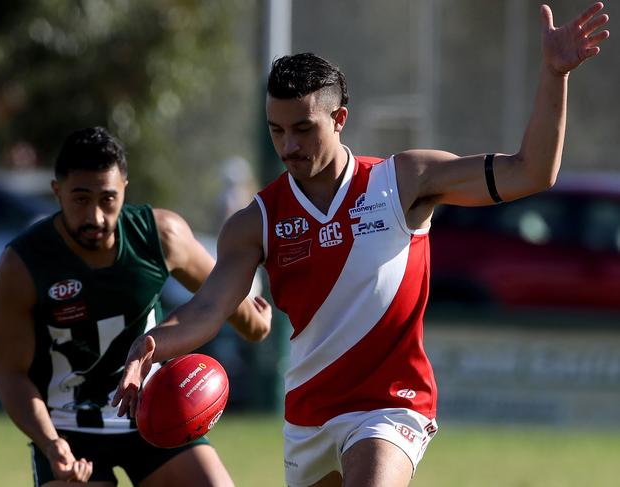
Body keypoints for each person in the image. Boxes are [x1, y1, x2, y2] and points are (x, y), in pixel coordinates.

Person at [114, 3, 609, 486]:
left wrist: (555, 76)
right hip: (308, 416)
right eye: (277, 131)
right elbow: (207, 308)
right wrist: (150, 346)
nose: (288, 147)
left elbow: (532, 172)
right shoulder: (254, 222)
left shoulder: (405, 181)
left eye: (303, 129)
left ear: (340, 119)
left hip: (391, 405)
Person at [0, 126, 272, 486]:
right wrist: (51, 444)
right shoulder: (22, 264)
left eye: (107, 199)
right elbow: (11, 373)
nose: (95, 217)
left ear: (124, 188)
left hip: (154, 415)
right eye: (80, 199)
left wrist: (255, 323)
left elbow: (218, 298)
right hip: (69, 430)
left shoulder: (161, 235)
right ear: (57, 192)